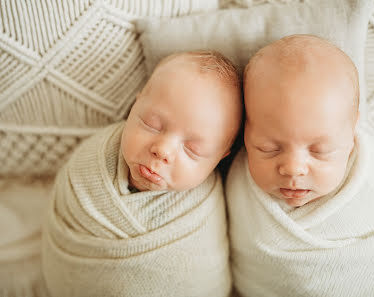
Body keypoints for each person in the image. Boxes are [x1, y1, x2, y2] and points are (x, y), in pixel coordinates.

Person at [226, 35, 374, 297]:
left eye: (320, 151)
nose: (293, 168)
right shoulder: (238, 182)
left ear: (351, 133)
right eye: (268, 148)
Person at [42, 50, 242, 297]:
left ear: (219, 158)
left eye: (192, 149)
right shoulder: (92, 160)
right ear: (135, 105)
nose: (162, 150)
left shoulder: (203, 209)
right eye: (151, 124)